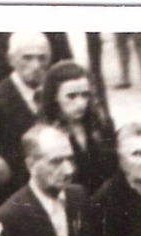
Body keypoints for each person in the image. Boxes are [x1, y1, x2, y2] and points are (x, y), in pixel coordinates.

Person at [0, 32, 52, 204]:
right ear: (11, 59)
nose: (36, 65)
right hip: (13, 200)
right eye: (27, 58)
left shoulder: (54, 95)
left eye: (42, 58)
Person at [39, 61, 116, 198]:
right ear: (54, 97)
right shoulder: (44, 134)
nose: (80, 103)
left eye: (85, 95)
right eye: (71, 96)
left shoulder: (102, 125)